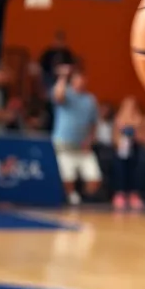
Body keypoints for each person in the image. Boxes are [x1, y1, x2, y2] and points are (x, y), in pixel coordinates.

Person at [52, 64, 101, 205]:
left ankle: (85, 200)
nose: (81, 81)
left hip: (83, 146)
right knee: (67, 177)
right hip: (64, 145)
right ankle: (73, 199)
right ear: (72, 81)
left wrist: (90, 140)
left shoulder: (90, 100)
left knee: (94, 178)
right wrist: (62, 76)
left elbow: (93, 123)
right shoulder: (66, 93)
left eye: (83, 79)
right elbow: (58, 95)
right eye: (77, 79)